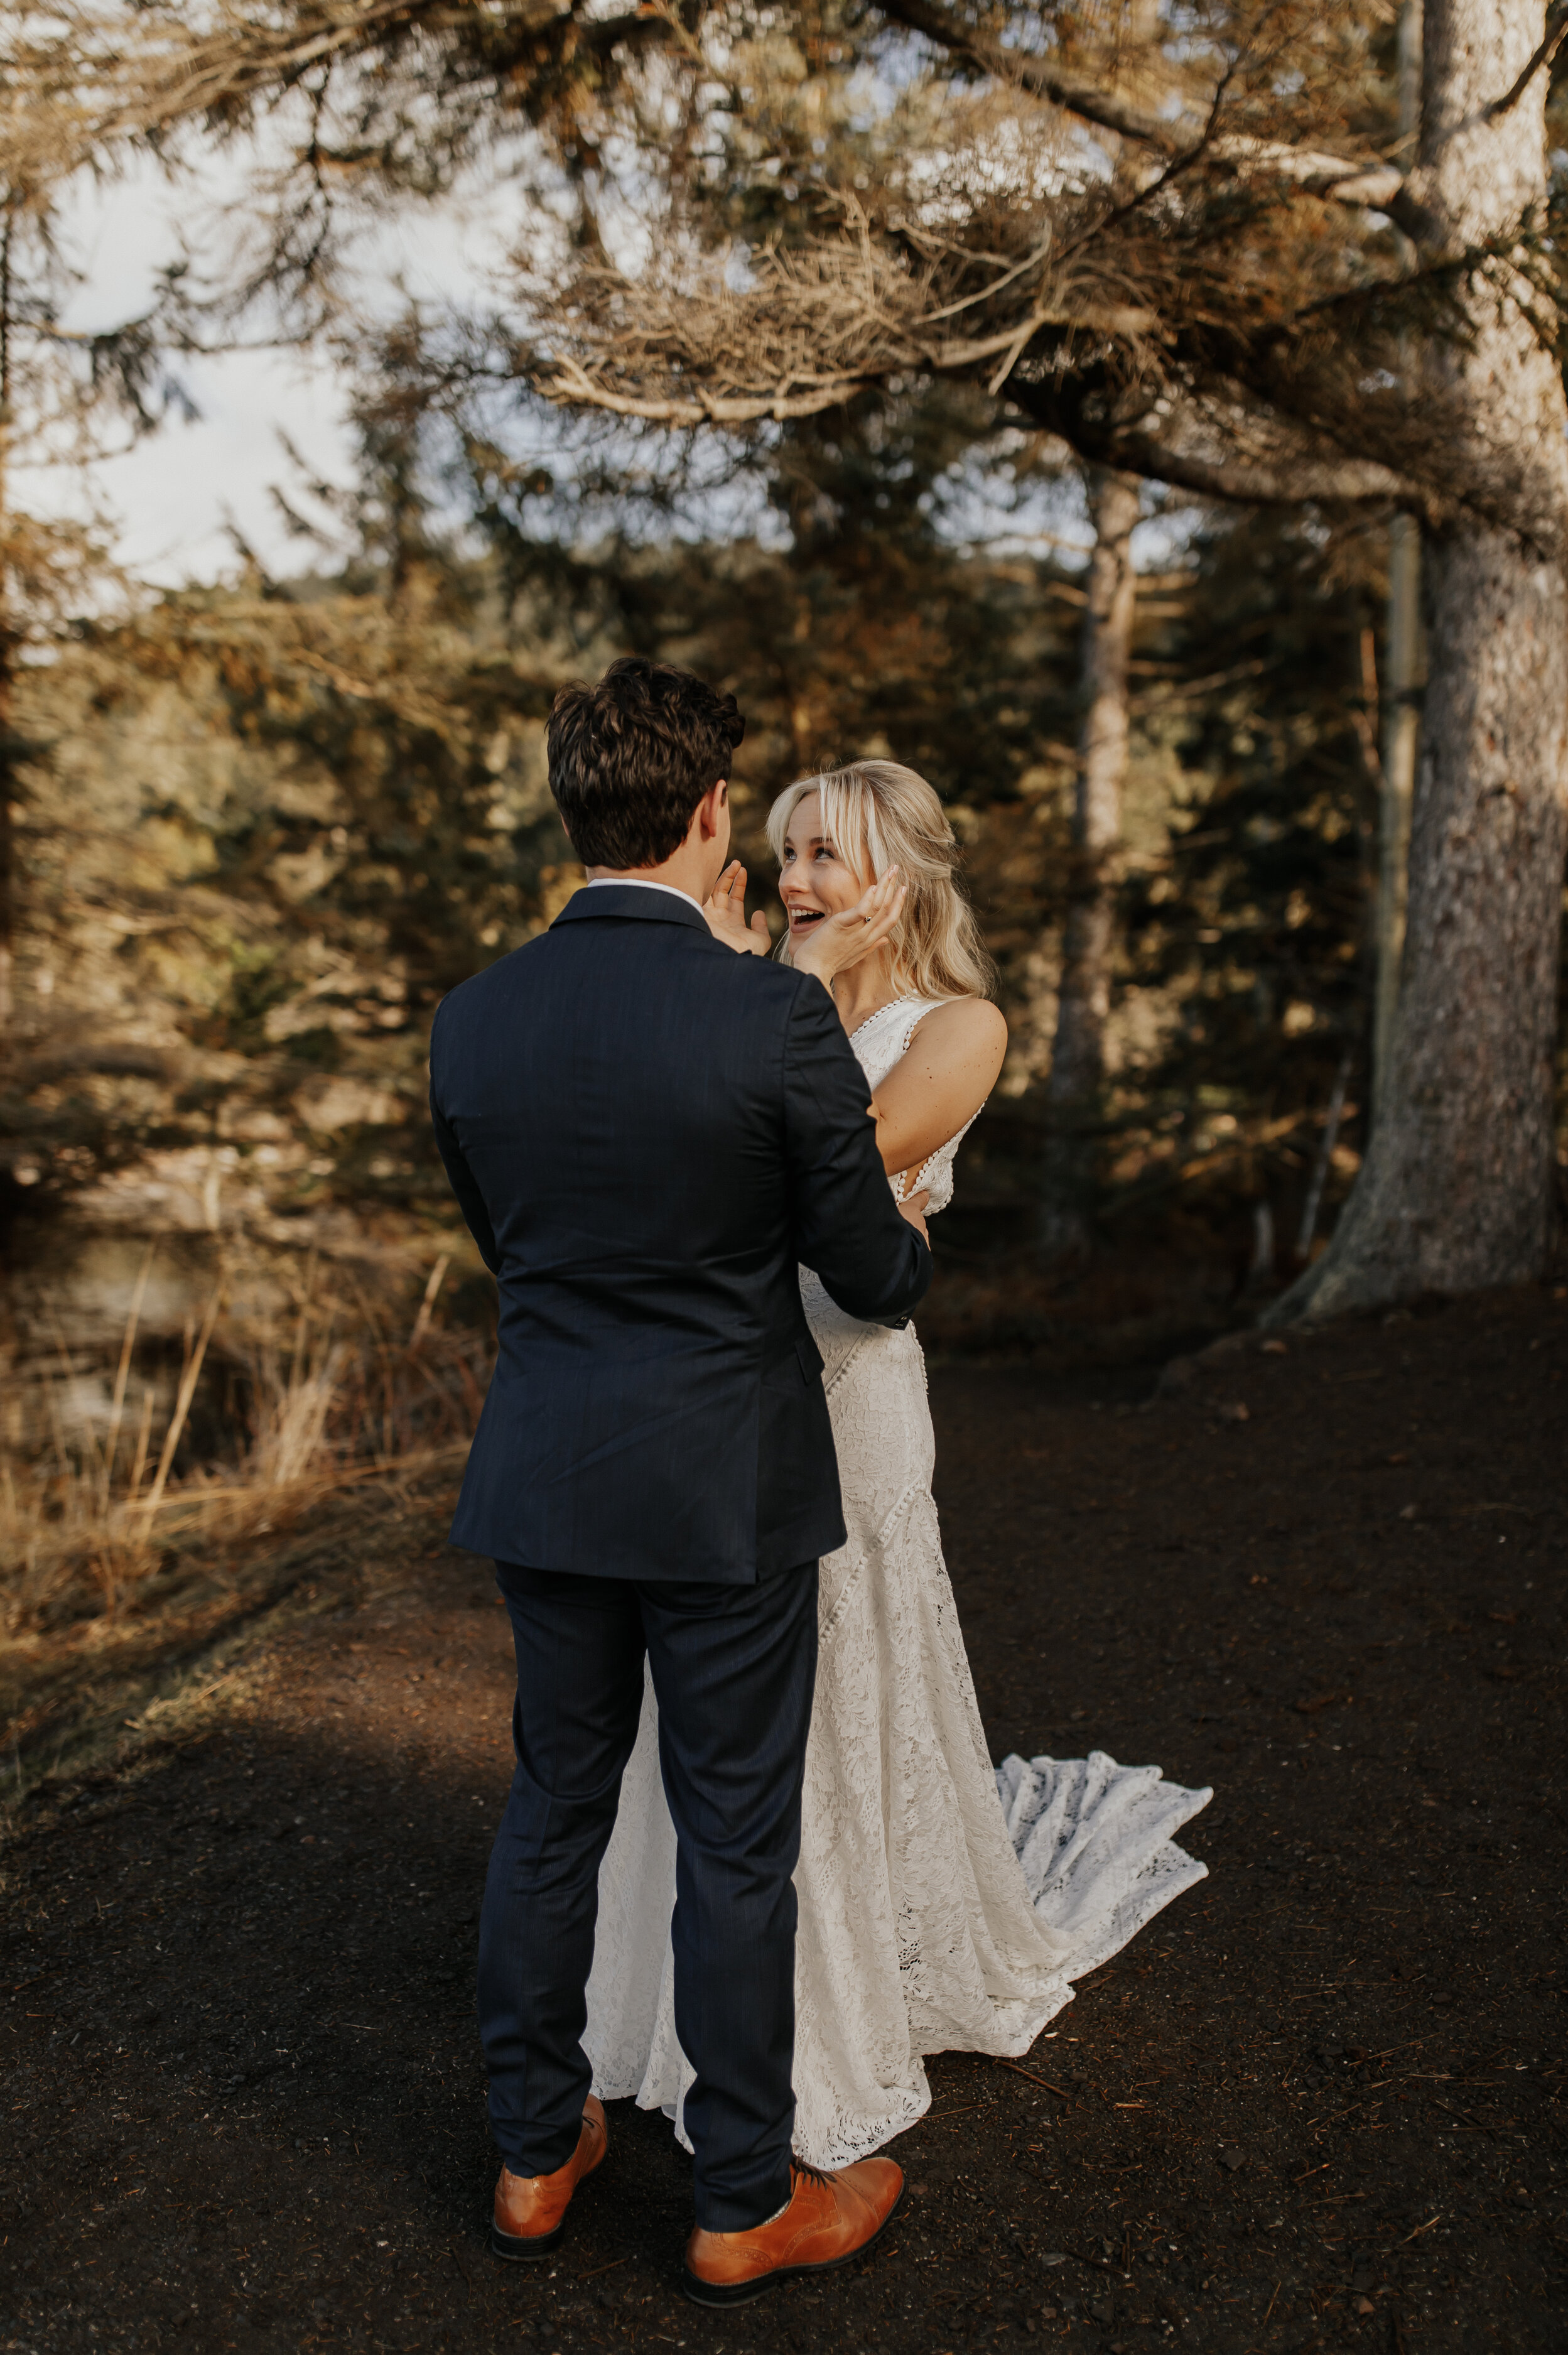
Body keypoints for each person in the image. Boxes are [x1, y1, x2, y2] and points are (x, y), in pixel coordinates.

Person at [584, 758, 1211, 2172]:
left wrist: (773, 996)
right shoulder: (750, 1001)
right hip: (704, 1402)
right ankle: (665, 1994)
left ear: (901, 882)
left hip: (844, 1395)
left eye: (830, 857)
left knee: (834, 1674)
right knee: (684, 1698)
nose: (796, 879)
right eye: (789, 848)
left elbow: (822, 1175)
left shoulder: (961, 1028)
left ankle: (845, 1979)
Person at [428, 663, 934, 2309]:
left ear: (574, 808)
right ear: (712, 812)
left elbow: (509, 1245)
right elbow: (866, 1271)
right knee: (733, 1835)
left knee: (550, 1806)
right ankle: (735, 2196)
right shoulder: (770, 1015)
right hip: (721, 1486)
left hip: (549, 1473)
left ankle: (528, 2149)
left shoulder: (475, 1015)